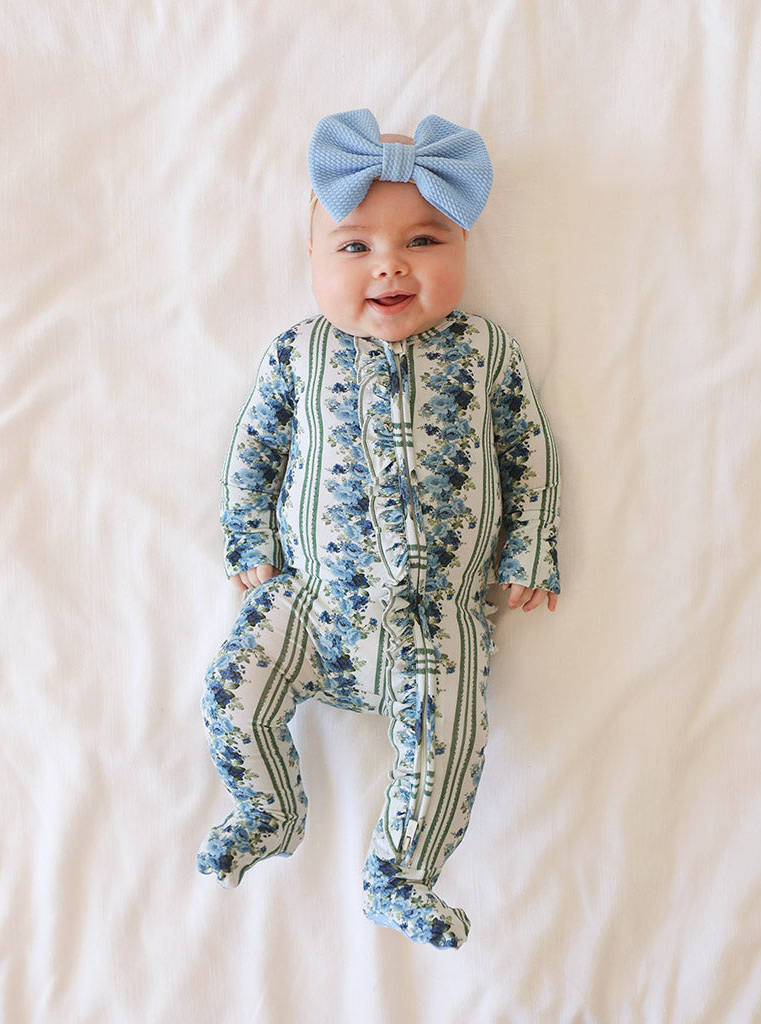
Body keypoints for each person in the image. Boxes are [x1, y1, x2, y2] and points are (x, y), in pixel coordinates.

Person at [198, 108, 560, 949]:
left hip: (437, 619)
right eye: (355, 246)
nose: (390, 265)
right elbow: (255, 449)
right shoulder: (299, 353)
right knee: (231, 692)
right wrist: (248, 542)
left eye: (425, 241)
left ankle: (401, 875)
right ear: (312, 259)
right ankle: (267, 807)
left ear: (465, 248)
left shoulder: (484, 353)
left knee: (449, 739)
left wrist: (529, 547)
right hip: (309, 603)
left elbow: (527, 448)